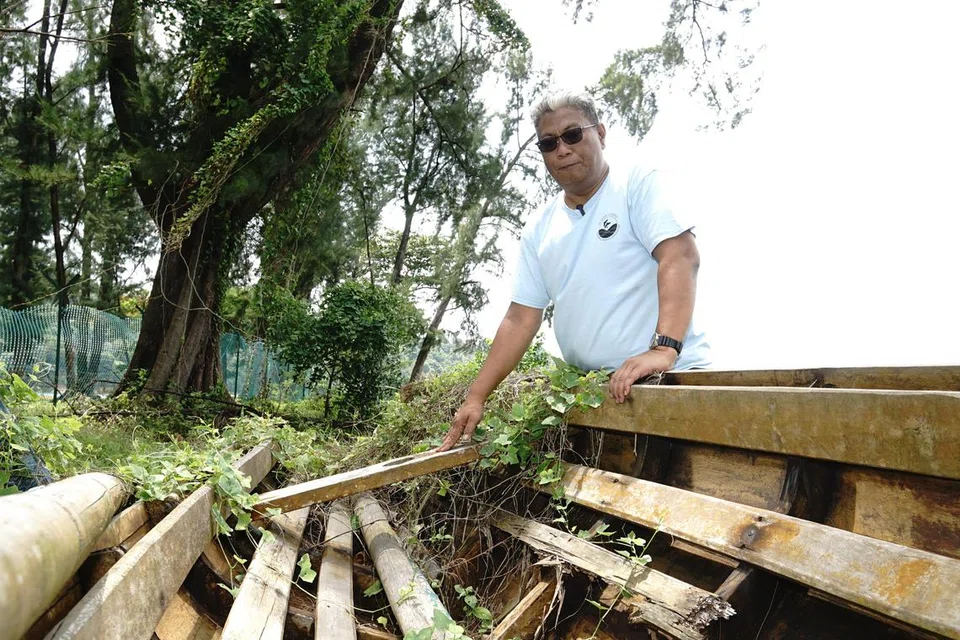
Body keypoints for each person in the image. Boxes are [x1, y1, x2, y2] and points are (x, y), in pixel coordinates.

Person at [438, 91, 710, 452]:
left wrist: (663, 350)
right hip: (598, 395)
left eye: (572, 135)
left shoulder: (636, 184)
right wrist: (476, 396)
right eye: (548, 143)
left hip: (670, 379)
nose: (562, 149)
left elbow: (679, 257)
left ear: (600, 133)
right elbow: (521, 317)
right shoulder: (540, 228)